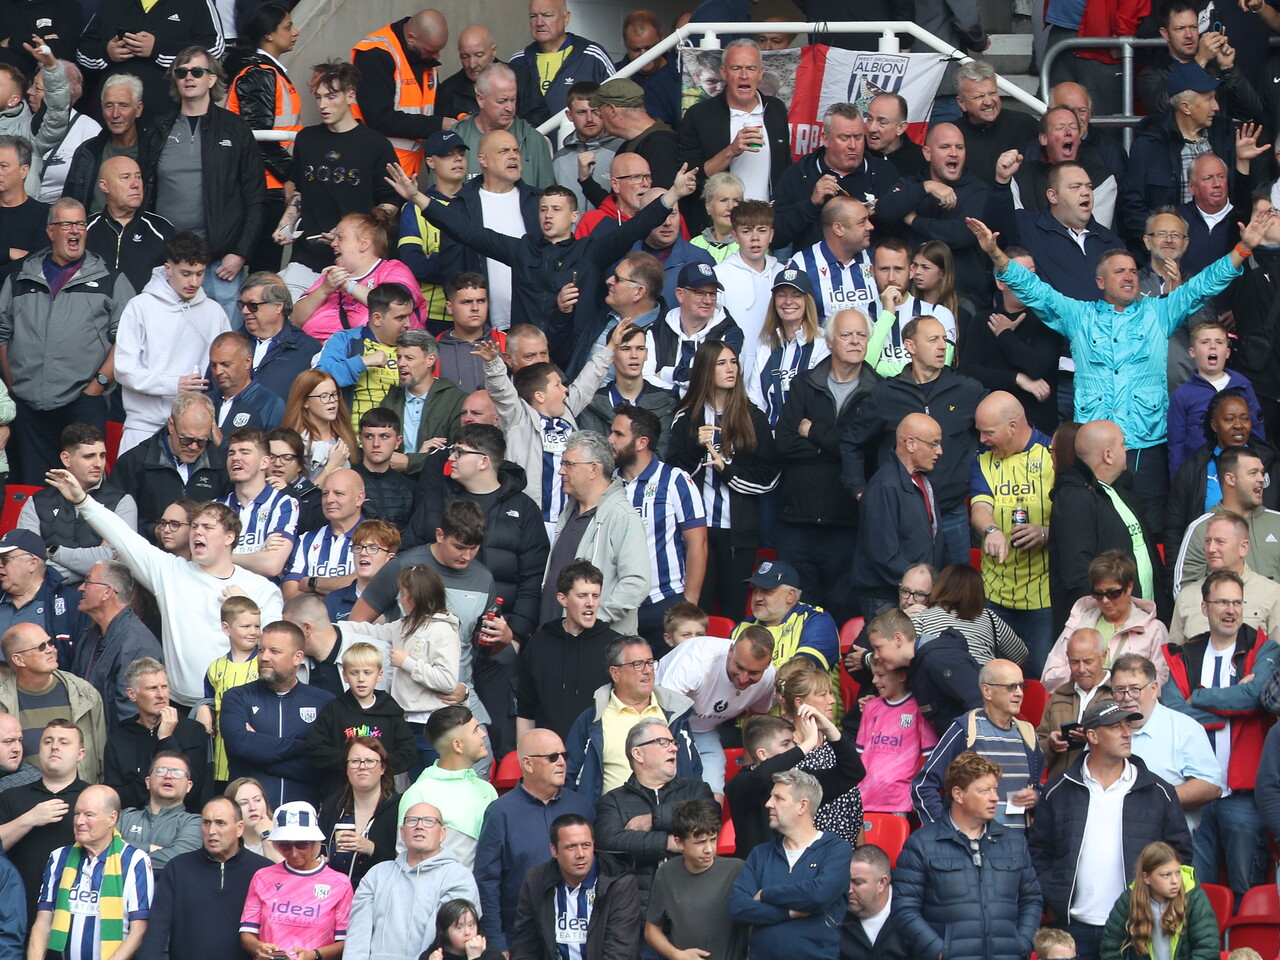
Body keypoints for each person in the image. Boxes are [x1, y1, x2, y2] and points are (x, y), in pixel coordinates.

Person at [43, 467, 282, 707]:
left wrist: (246, 606)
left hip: (239, 704)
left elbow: (275, 651)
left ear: (230, 537)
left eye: (208, 528)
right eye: (195, 526)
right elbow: (124, 537)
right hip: (179, 705)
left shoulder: (260, 588)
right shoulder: (171, 572)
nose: (198, 531)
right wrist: (83, 501)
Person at [1028, 699, 1193, 960]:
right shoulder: (1058, 790)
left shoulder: (1159, 791)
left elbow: (1180, 855)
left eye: (1128, 725)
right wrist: (1054, 897)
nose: (1127, 733)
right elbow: (1038, 851)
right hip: (1073, 925)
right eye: (1115, 727)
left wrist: (1156, 906)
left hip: (1138, 926)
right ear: (1092, 735)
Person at [1161, 569, 1274, 904]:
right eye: (1223, 602)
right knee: (1193, 894)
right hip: (1194, 792)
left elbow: (1256, 699)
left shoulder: (1263, 647)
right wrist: (1234, 706)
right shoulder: (1183, 653)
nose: (1231, 610)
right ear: (1204, 607)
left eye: (1237, 602)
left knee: (1247, 890)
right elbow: (1173, 713)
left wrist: (1200, 696)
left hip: (1243, 795)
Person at [0, 196, 131, 484]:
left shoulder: (110, 277)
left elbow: (127, 338)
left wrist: (98, 386)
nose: (76, 230)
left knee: (85, 488)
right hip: (29, 407)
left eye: (81, 224)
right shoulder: (20, 275)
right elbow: (2, 334)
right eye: (67, 224)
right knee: (32, 488)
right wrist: (14, 384)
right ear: (50, 231)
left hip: (81, 404)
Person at [841, 317, 985, 570]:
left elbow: (993, 433)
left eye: (944, 339)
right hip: (901, 516)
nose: (943, 346)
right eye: (933, 340)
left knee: (956, 596)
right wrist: (860, 491)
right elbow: (852, 442)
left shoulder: (968, 390)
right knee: (908, 593)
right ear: (910, 346)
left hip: (952, 511)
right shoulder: (886, 393)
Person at [138, 48, 264, 320]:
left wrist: (240, 253)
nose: (189, 77)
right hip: (166, 260)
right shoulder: (158, 128)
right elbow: (144, 193)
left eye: (197, 71)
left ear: (212, 79)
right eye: (181, 72)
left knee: (224, 344)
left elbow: (255, 197)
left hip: (219, 262)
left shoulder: (235, 128)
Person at [773, 307, 874, 624]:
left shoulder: (879, 391)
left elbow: (868, 452)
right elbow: (785, 444)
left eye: (861, 335)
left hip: (846, 525)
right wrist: (843, 448)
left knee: (844, 616)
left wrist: (814, 432)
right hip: (797, 522)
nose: (855, 341)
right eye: (846, 335)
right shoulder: (805, 384)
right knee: (794, 617)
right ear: (830, 342)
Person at [895, 752, 1043, 960]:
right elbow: (904, 910)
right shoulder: (921, 844)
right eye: (984, 791)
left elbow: (1032, 900)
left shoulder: (1014, 842)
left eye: (995, 789)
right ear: (958, 794)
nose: (995, 797)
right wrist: (939, 952)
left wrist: (1022, 945)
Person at [667, 341, 776, 616]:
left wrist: (727, 471)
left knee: (734, 609)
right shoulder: (686, 417)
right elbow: (673, 477)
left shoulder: (753, 417)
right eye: (721, 363)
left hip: (737, 532)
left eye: (734, 362)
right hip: (695, 530)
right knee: (695, 610)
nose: (731, 369)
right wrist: (695, 447)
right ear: (705, 369)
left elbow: (769, 478)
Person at [474, 728, 595, 952]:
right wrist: (497, 943)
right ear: (528, 764)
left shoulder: (582, 806)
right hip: (522, 939)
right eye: (552, 757)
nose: (561, 762)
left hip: (580, 935)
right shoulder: (501, 812)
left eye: (564, 756)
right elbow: (487, 882)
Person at [1045, 421, 1168, 634]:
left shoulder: (1120, 490)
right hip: (1105, 631)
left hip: (1144, 621)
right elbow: (1077, 574)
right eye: (1122, 444)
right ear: (1108, 455)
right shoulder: (1074, 499)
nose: (1127, 449)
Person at [114, 231, 232, 453]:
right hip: (144, 427)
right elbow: (123, 370)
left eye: (200, 273)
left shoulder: (215, 312)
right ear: (168, 268)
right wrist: (173, 384)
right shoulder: (140, 307)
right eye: (186, 273)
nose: (194, 282)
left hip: (195, 432)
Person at [339, 565, 460, 776]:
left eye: (403, 594)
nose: (399, 599)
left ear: (417, 597)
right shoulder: (404, 625)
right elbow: (372, 630)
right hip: (406, 723)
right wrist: (332, 626)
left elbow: (447, 681)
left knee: (435, 781)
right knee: (409, 784)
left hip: (434, 725)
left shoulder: (443, 631)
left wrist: (407, 662)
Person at [969, 391, 1054, 670]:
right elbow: (980, 508)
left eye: (988, 432)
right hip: (995, 599)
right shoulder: (983, 461)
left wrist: (1044, 532)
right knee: (996, 680)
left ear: (1013, 426)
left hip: (1043, 599)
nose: (982, 440)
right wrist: (991, 530)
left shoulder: (1053, 455)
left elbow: (1076, 520)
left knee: (1038, 682)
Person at [595, 717, 716, 912]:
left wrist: (653, 818)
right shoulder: (612, 801)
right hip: (638, 914)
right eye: (663, 742)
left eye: (674, 742)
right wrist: (669, 842)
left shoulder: (695, 790)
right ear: (638, 754)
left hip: (695, 910)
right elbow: (610, 843)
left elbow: (708, 816)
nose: (674, 748)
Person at [730, 769, 852, 958]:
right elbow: (739, 908)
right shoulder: (760, 854)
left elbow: (819, 894)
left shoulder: (836, 850)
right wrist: (788, 913)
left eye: (779, 798)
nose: (768, 803)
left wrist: (765, 894)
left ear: (802, 806)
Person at [565, 635, 701, 804]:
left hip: (671, 822)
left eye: (650, 662)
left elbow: (695, 772)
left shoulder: (675, 715)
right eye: (638, 664)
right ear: (615, 673)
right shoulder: (592, 720)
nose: (647, 670)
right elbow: (568, 777)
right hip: (611, 824)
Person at [911, 660, 1044, 831]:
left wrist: (1036, 797)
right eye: (1010, 687)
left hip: (1015, 850)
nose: (1019, 693)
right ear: (987, 691)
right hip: (970, 850)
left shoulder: (1027, 734)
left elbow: (1039, 788)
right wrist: (946, 832)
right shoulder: (966, 730)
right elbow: (923, 785)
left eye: (1021, 686)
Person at [26, 785, 154, 960]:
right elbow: (43, 923)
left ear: (112, 818)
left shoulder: (135, 860)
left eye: (89, 815)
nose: (79, 821)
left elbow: (139, 929)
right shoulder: (59, 858)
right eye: (77, 813)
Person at [137, 795, 270, 960]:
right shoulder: (178, 868)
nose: (212, 831)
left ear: (239, 828)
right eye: (206, 822)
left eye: (220, 823)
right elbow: (157, 931)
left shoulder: (263, 871)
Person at [677, 39, 789, 232]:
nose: (744, 76)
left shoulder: (776, 109)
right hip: (721, 230)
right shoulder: (699, 115)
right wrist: (731, 150)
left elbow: (785, 167)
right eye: (736, 68)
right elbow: (692, 179)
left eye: (751, 69)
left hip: (768, 227)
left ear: (760, 73)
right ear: (723, 73)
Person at [345, 801, 480, 960]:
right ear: (402, 833)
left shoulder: (458, 877)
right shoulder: (377, 875)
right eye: (412, 820)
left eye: (429, 821)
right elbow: (358, 935)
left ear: (442, 833)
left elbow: (445, 936)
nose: (419, 826)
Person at [221, 621, 335, 807]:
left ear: (297, 657)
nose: (264, 657)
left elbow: (322, 765)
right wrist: (306, 747)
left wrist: (257, 751)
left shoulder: (324, 702)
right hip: (249, 819)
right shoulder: (237, 697)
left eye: (274, 651)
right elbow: (241, 746)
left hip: (304, 820)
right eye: (261, 649)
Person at [875, 124, 992, 303]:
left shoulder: (978, 190)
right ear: (927, 153)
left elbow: (962, 234)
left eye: (959, 147)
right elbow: (884, 210)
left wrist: (914, 220)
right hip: (913, 299)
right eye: (945, 147)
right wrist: (926, 187)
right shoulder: (912, 185)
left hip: (964, 299)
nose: (953, 153)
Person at [1122, 64, 1238, 240]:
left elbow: (1238, 201)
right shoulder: (1148, 146)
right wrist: (1160, 244)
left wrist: (1243, 163)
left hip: (1219, 247)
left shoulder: (1225, 137)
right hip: (1169, 252)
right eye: (1209, 99)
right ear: (1186, 107)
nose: (1216, 106)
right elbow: (1132, 207)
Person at [1110, 653, 1224, 832]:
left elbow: (1211, 786)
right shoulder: (1104, 728)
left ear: (1154, 688)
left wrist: (1153, 799)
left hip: (1167, 845)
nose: (1127, 697)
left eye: (1135, 689)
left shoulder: (1184, 728)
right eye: (1119, 690)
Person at [224, 4, 298, 275]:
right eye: (288, 27)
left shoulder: (267, 70)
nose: (295, 32)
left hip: (268, 184)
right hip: (264, 187)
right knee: (263, 272)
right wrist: (291, 174)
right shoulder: (259, 73)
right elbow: (258, 136)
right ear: (268, 34)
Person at [509, 813, 641, 960]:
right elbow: (525, 946)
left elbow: (621, 952)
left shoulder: (619, 882)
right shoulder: (536, 880)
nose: (580, 854)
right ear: (554, 850)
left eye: (586, 845)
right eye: (571, 847)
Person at [958, 246, 1059, 436]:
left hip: (1036, 431)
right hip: (991, 431)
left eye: (1032, 274)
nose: (1029, 281)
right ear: (1000, 282)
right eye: (1021, 274)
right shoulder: (982, 320)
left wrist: (1005, 335)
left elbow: (1037, 366)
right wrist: (1016, 379)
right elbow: (969, 371)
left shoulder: (1048, 319)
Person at [851, 412, 945, 617]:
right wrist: (920, 586)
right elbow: (883, 553)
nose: (940, 451)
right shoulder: (883, 486)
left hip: (915, 594)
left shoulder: (922, 480)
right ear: (910, 443)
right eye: (934, 444)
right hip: (888, 599)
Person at [771, 102, 899, 251]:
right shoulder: (800, 173)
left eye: (858, 137)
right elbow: (775, 237)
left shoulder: (883, 172)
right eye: (844, 138)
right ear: (825, 139)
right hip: (814, 270)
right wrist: (811, 203)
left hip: (869, 269)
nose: (852, 145)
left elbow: (898, 235)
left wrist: (884, 211)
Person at [1165, 389, 1280, 556]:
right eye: (1229, 419)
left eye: (1245, 418)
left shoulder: (1271, 461)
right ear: (1214, 425)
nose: (1239, 425)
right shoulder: (1194, 469)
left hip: (1266, 566)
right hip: (1212, 565)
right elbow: (1174, 529)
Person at [239, 800, 353, 959]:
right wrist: (258, 948)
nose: (294, 853)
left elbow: (346, 941)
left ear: (314, 842)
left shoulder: (339, 884)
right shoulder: (262, 877)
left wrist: (313, 955)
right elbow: (247, 933)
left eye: (301, 844)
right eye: (285, 845)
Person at [289, 210, 423, 344]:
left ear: (364, 244)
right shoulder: (331, 278)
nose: (333, 244)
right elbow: (295, 320)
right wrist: (324, 290)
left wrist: (348, 285)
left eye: (340, 237)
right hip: (315, 358)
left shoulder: (393, 270)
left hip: (373, 360)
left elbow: (396, 306)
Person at [110, 393, 230, 542]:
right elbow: (115, 520)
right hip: (149, 554)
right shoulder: (134, 462)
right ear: (171, 425)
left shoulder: (221, 465)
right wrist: (155, 530)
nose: (193, 446)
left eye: (202, 441)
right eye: (186, 439)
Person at [1045, 551, 1171, 693]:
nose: (1105, 600)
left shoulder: (1154, 629)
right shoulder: (1080, 622)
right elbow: (1049, 678)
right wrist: (1084, 674)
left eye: (1113, 593)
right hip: (1079, 704)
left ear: (1129, 587)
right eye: (1098, 594)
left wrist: (1124, 686)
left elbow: (1162, 685)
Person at [0, 719, 89, 920]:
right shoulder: (11, 796)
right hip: (17, 910)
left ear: (80, 754)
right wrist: (29, 819)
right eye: (48, 741)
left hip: (77, 909)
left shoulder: (92, 797)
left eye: (64, 742)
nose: (54, 747)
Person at [517, 559, 616, 739]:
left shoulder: (614, 645)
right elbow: (525, 709)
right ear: (563, 599)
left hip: (599, 755)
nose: (590, 603)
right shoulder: (539, 644)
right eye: (582, 596)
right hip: (550, 756)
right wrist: (526, 756)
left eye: (595, 596)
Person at [350, 10, 451, 181]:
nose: (436, 56)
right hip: (376, 171)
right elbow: (379, 118)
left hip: (407, 174)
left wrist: (461, 118)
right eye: (431, 51)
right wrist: (439, 124)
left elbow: (437, 103)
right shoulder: (375, 54)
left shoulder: (425, 59)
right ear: (411, 37)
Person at [305, 644, 416, 795]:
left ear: (379, 675)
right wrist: (351, 762)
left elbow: (408, 752)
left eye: (367, 672)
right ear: (345, 675)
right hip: (340, 793)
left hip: (382, 793)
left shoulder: (390, 711)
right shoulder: (334, 709)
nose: (361, 679)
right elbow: (314, 749)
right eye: (354, 673)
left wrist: (378, 763)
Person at [644, 798, 747, 960]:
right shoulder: (666, 874)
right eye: (700, 842)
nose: (709, 849)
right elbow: (651, 930)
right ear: (679, 842)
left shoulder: (737, 870)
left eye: (713, 839)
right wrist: (677, 955)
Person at [397, 705, 496, 870]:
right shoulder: (419, 792)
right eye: (476, 730)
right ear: (458, 745)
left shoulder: (487, 789)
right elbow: (406, 859)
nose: (483, 734)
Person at [103, 658, 208, 814]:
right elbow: (115, 798)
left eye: (164, 687)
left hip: (182, 823)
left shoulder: (192, 730)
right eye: (152, 688)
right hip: (132, 823)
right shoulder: (119, 738)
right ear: (132, 694)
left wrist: (166, 739)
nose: (161, 695)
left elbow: (192, 791)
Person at [0, 622, 102, 781]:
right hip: (23, 801)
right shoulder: (2, 701)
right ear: (19, 660)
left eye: (50, 643)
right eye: (41, 647)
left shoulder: (84, 692)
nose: (50, 649)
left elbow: (101, 752)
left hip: (81, 798)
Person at [1172, 447, 1280, 593]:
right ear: (1230, 479)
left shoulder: (1277, 522)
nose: (1261, 479)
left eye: (1262, 473)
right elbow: (1184, 591)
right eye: (1253, 473)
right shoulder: (1201, 528)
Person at [70, 561, 162, 730]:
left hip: (118, 748)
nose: (81, 588)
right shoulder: (91, 635)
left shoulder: (137, 642)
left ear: (107, 592)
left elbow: (131, 713)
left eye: (88, 581)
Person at [866, 607, 983, 738]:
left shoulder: (938, 661)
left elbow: (979, 704)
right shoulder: (916, 666)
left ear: (898, 638)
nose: (875, 656)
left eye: (878, 648)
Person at [1169, 511, 1280, 644]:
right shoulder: (1187, 596)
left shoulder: (1272, 594)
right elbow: (1173, 658)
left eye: (1220, 542)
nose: (1211, 549)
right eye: (1207, 541)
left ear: (1243, 548)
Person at [1100, 840, 1219, 960]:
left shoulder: (1194, 897)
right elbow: (1111, 946)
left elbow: (1208, 948)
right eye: (1166, 875)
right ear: (1146, 878)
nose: (1175, 881)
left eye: (1178, 873)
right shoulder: (1130, 899)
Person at [314, 736, 401, 889]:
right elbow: (319, 849)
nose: (362, 767)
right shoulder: (333, 806)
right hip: (334, 895)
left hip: (382, 896)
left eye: (370, 761)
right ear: (347, 769)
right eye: (355, 761)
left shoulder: (398, 807)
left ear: (382, 768)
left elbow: (406, 862)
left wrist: (370, 848)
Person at [452, 63, 554, 190]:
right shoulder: (456, 138)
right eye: (502, 101)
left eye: (513, 99)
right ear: (481, 100)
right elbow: (441, 199)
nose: (510, 108)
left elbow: (548, 198)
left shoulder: (533, 140)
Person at [507, 0, 615, 121]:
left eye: (547, 16)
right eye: (533, 16)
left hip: (582, 139)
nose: (539, 23)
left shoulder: (592, 55)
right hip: (530, 139)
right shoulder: (518, 61)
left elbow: (617, 104)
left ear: (566, 18)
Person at [377, 329, 466, 475]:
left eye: (409, 358)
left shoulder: (455, 400)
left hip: (437, 485)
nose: (401, 364)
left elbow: (457, 452)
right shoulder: (390, 400)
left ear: (430, 360)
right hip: (395, 483)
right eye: (399, 357)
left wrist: (411, 462)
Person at [84, 155, 175, 295]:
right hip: (95, 313)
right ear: (104, 186)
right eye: (125, 177)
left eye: (138, 177)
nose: (135, 184)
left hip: (146, 314)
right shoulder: (85, 230)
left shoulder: (162, 230)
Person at [228, 273, 321, 406]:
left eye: (253, 305)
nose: (245, 311)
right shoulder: (231, 344)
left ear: (278, 306)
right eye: (241, 305)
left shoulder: (307, 349)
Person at [910, 564, 1029, 667]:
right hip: (983, 686)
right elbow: (1021, 655)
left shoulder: (922, 616)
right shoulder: (991, 618)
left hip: (936, 684)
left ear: (940, 587)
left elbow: (906, 656)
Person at [0, 529, 86, 664]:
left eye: (5, 559)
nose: (0, 565)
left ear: (32, 563)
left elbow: (81, 663)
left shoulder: (72, 604)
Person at [1038, 628, 1112, 781]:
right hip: (1061, 787)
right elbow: (1037, 752)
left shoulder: (1118, 693)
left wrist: (1094, 739)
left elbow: (1131, 744)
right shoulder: (1059, 695)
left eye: (1088, 661)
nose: (1081, 669)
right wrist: (1051, 744)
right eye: (1074, 662)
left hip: (1103, 786)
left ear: (1103, 656)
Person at [436, 24, 548, 125]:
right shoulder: (449, 89)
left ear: (493, 51)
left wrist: (511, 131)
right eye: (465, 57)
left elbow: (539, 116)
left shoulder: (520, 77)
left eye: (479, 55)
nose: (472, 64)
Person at [118, 751, 201, 873]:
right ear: (148, 781)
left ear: (189, 786)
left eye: (177, 773)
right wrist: (150, 848)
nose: (168, 776)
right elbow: (105, 849)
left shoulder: (194, 823)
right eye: (161, 770)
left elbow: (179, 860)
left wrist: (123, 853)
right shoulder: (125, 816)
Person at [553, 82, 623, 214]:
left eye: (595, 111)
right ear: (570, 116)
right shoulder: (559, 160)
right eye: (581, 112)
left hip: (614, 232)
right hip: (573, 233)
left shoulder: (622, 150)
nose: (589, 118)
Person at [280, 371, 359, 484]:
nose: (332, 400)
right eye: (324, 396)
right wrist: (332, 466)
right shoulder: (294, 443)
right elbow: (299, 497)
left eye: (334, 394)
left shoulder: (343, 436)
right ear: (305, 402)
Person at [207, 333, 286, 437]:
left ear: (247, 362)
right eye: (213, 365)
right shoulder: (206, 402)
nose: (218, 371)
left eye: (226, 364)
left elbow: (275, 449)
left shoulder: (270, 404)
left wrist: (223, 445)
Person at [841, 843, 906, 960]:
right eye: (846, 880)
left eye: (858, 882)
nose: (848, 889)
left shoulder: (912, 914)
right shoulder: (834, 916)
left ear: (882, 883)